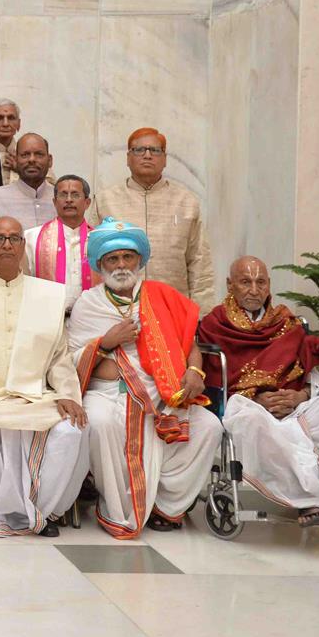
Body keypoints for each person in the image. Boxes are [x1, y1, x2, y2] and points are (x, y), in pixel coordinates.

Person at [200, 256, 319, 526]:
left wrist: (300, 396)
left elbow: (306, 370)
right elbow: (213, 382)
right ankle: (308, 499)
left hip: (296, 405)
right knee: (248, 419)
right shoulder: (215, 325)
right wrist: (256, 399)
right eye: (245, 282)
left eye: (261, 282)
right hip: (248, 406)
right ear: (229, 285)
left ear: (269, 285)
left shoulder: (286, 323)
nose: (254, 290)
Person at [67, 218, 220, 538]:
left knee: (209, 426)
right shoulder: (88, 303)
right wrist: (106, 342)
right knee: (101, 422)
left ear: (140, 260)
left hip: (165, 391)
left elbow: (190, 345)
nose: (121, 265)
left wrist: (194, 371)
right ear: (100, 264)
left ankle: (168, 504)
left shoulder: (163, 296)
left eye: (128, 257)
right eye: (112, 258)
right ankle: (118, 507)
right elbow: (70, 361)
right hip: (108, 391)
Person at [0, 217, 89, 537]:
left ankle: (38, 511)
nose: (7, 244)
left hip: (37, 395)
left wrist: (67, 393)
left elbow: (59, 355)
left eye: (14, 238)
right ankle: (3, 512)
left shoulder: (48, 295)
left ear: (24, 246)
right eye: (0, 239)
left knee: (72, 431)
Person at [90, 127, 214, 309]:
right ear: (128, 158)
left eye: (154, 150)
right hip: (118, 310)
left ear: (164, 159)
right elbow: (92, 260)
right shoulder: (106, 200)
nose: (147, 155)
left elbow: (199, 262)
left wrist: (201, 315)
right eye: (139, 150)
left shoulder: (186, 201)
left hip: (173, 307)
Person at [23, 174, 95, 312]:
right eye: (63, 195)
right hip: (47, 318)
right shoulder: (32, 238)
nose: (68, 200)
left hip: (91, 321)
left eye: (75, 195)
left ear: (87, 202)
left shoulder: (100, 240)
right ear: (55, 202)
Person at [0, 133, 55, 230]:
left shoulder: (61, 199)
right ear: (16, 160)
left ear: (50, 160)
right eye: (25, 155)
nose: (32, 159)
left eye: (39, 154)